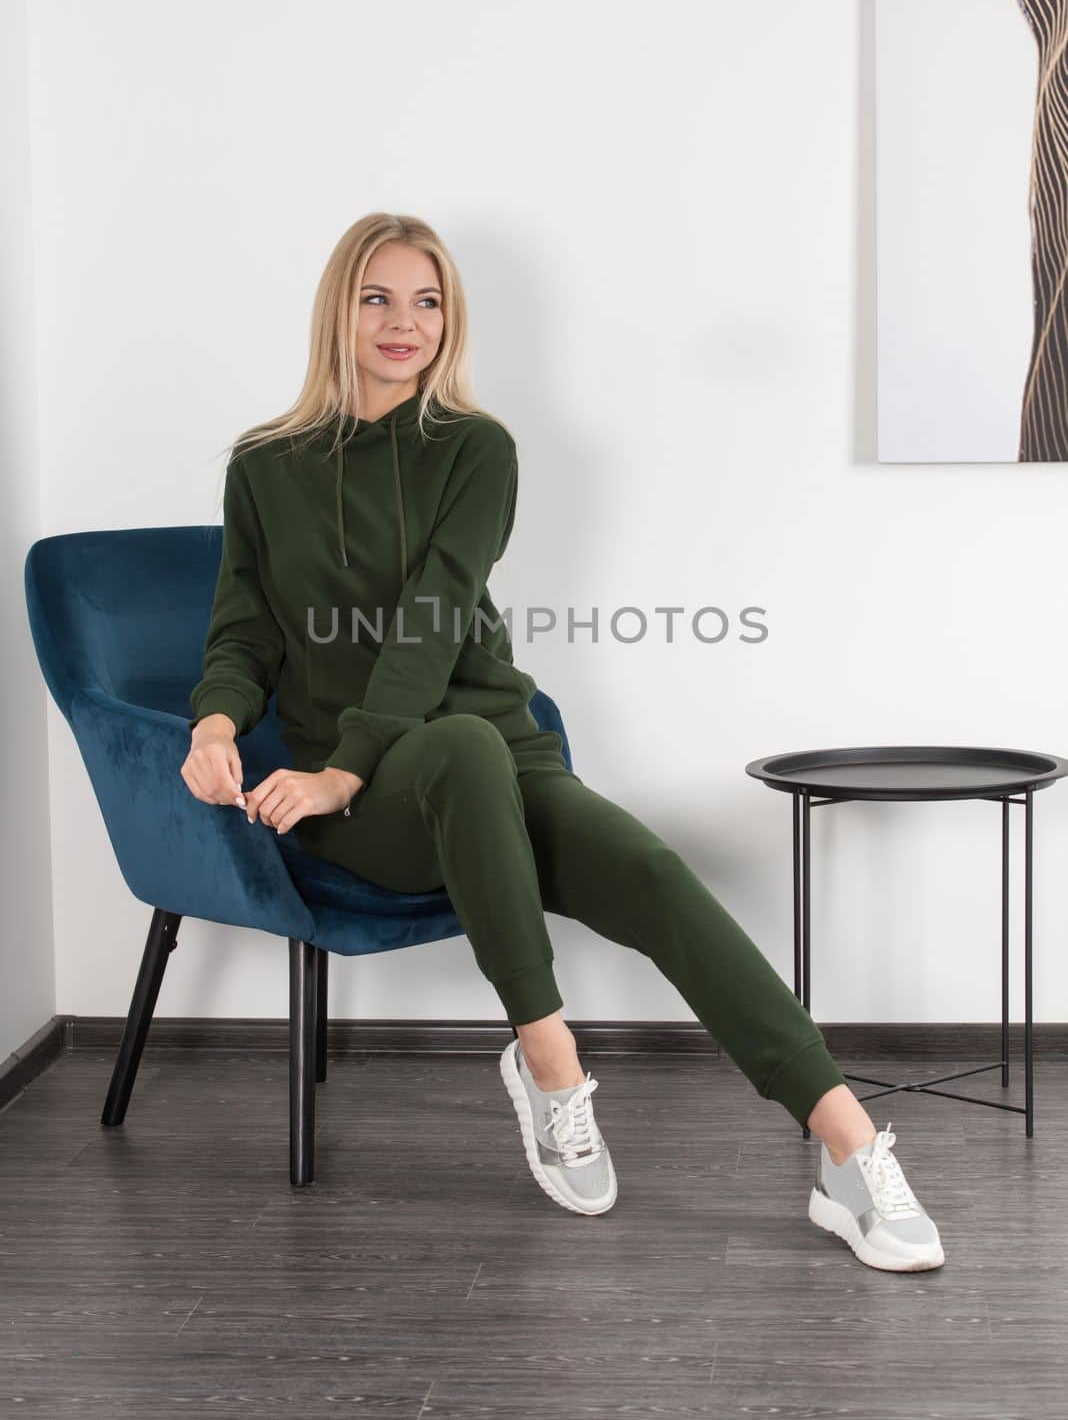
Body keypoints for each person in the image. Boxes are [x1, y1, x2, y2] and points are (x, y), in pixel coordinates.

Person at [181, 212, 945, 1271]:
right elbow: (244, 626)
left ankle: (847, 1149)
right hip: (368, 800)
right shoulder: (265, 466)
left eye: (429, 299)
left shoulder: (477, 448)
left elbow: (433, 617)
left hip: (489, 751)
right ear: (337, 310)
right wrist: (219, 721)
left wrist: (338, 760)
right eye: (378, 297)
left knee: (651, 871)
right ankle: (550, 1059)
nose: (406, 322)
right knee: (455, 750)